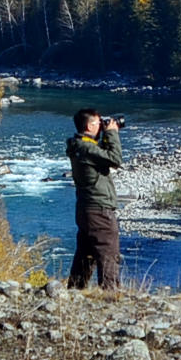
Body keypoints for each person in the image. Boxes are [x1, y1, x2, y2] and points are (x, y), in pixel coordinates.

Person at [66, 107, 123, 290]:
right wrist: (112, 134)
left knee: (85, 255)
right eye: (99, 124)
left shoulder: (78, 146)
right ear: (90, 126)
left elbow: (103, 158)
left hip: (85, 209)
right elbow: (115, 159)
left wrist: (105, 136)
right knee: (108, 254)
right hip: (99, 210)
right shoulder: (87, 148)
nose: (102, 127)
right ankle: (109, 296)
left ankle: (74, 293)